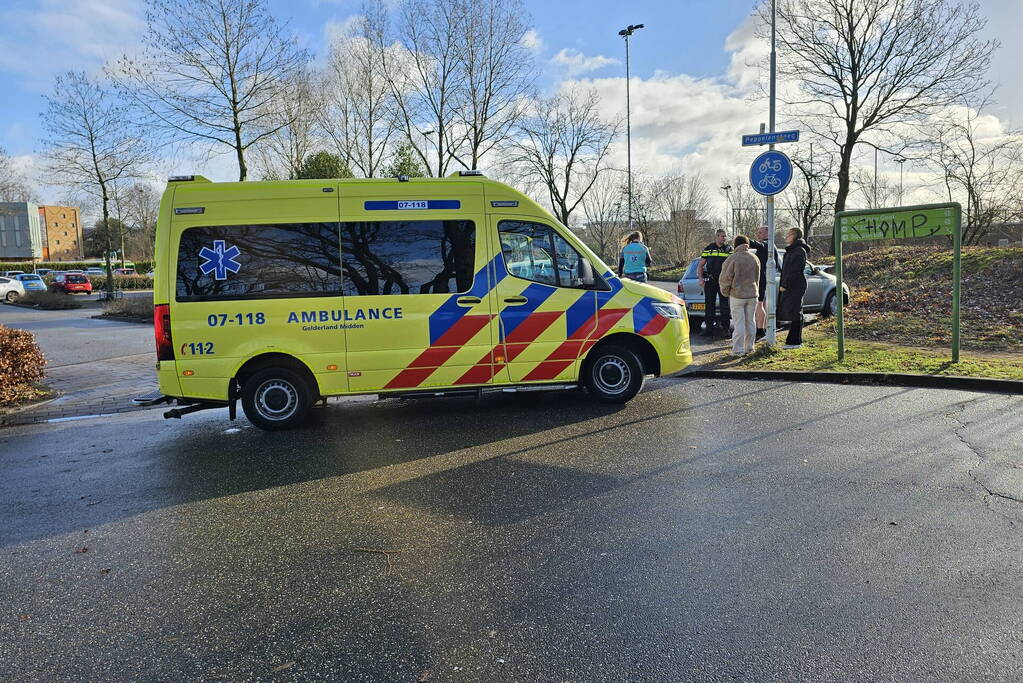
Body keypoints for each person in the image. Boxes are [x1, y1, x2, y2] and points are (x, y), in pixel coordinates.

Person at [718, 235, 760, 356]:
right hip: (753, 294)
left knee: (739, 323)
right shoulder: (755, 258)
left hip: (737, 295)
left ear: (736, 245)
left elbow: (725, 278)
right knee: (751, 321)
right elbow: (757, 277)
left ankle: (737, 350)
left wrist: (725, 292)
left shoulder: (732, 258)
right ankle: (750, 347)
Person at [778, 227, 810, 349]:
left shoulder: (799, 251)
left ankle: (794, 342)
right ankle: (794, 340)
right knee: (794, 311)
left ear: (795, 236)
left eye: (789, 234)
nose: (786, 237)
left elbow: (795, 270)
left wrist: (785, 285)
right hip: (792, 284)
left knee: (795, 311)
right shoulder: (791, 251)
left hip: (796, 285)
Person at [696, 229, 732, 336]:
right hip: (711, 280)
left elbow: (733, 265)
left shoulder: (729, 249)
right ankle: (709, 329)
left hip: (723, 281)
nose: (724, 238)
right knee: (709, 305)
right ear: (716, 237)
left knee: (724, 306)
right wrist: (701, 279)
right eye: (722, 236)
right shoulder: (708, 248)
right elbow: (701, 265)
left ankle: (726, 330)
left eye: (725, 236)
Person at [748, 225, 777, 340]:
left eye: (760, 232)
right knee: (763, 304)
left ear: (767, 233)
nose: (758, 235)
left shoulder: (767, 245)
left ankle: (760, 331)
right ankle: (764, 329)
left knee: (759, 304)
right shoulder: (771, 246)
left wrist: (744, 240)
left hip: (763, 279)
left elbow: (756, 244)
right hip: (766, 278)